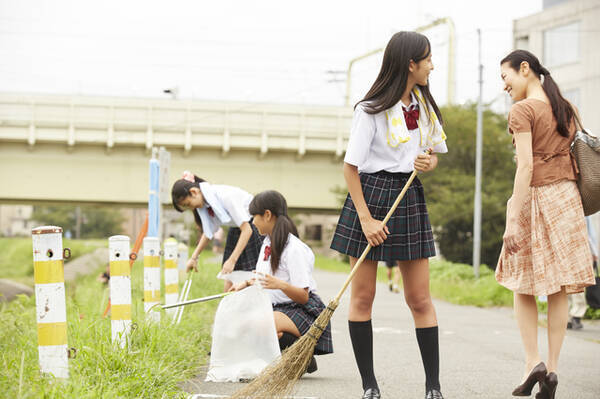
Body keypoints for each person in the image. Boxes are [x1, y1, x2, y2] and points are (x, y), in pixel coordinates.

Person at [330, 31, 448, 399]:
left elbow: (434, 154)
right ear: (410, 64)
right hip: (369, 197)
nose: (432, 64)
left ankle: (433, 387)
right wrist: (366, 219)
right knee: (363, 297)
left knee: (420, 298)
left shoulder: (425, 107)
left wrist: (428, 162)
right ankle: (370, 386)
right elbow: (350, 168)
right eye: (427, 58)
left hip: (408, 197)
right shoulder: (369, 109)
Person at [496, 50, 595, 399]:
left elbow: (525, 168)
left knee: (521, 281)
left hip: (537, 197)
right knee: (558, 288)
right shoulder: (565, 107)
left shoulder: (522, 110)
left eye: (506, 77)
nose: (504, 85)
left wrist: (513, 215)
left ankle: (532, 362)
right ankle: (552, 369)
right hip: (568, 200)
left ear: (525, 69)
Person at [231, 190, 333, 373]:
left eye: (255, 216)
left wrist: (280, 284)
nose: (253, 222)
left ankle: (302, 355)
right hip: (278, 308)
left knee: (259, 325)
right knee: (244, 324)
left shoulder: (294, 249)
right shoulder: (267, 242)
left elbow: (303, 296)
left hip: (302, 309)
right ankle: (300, 358)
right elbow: (266, 277)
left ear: (267, 215)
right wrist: (246, 283)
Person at [171, 171, 264, 291]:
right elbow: (209, 232)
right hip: (237, 229)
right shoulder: (206, 204)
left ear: (194, 192)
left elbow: (247, 230)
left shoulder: (225, 196)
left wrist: (232, 260)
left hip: (254, 227)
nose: (192, 208)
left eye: (189, 204)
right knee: (229, 279)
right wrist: (194, 258)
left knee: (254, 277)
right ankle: (227, 309)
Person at [567, 216, 598, 330]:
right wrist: (594, 254)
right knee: (578, 284)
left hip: (565, 250)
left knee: (567, 284)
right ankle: (575, 316)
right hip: (580, 251)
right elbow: (589, 234)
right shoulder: (584, 210)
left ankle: (568, 317)